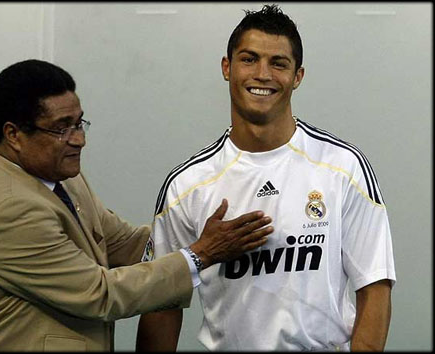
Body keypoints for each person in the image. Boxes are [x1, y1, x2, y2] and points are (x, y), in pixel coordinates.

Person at [0, 59, 274, 351]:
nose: (79, 139)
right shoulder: (11, 210)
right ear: (13, 135)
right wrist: (202, 253)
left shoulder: (60, 175)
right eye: (62, 128)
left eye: (79, 123)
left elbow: (120, 242)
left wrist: (192, 230)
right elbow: (100, 293)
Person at [136, 4, 396, 352]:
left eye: (278, 63)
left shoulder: (343, 167)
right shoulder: (187, 185)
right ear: (227, 68)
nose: (262, 74)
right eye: (249, 59)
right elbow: (161, 303)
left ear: (298, 76)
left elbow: (375, 286)